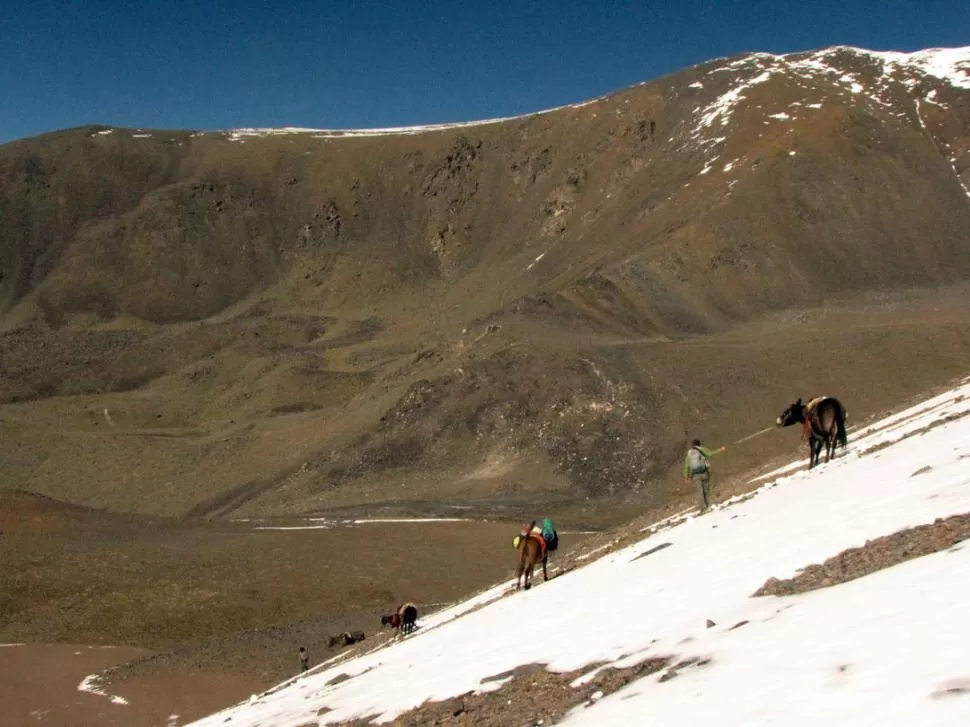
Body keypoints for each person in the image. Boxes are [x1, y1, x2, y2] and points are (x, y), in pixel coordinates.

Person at [683, 438, 726, 512]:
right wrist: (720, 450)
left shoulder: (689, 454)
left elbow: (687, 466)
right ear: (699, 444)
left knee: (699, 491)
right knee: (706, 489)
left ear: (692, 445)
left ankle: (703, 508)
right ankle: (707, 505)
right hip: (704, 472)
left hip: (695, 475)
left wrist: (686, 477)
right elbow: (710, 454)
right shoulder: (702, 449)